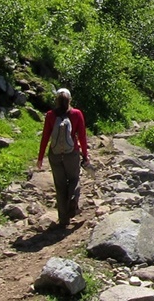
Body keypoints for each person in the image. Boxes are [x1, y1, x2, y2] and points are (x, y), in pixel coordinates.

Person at [37, 88, 88, 227]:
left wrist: (40, 157)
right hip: (71, 153)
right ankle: (73, 198)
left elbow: (45, 137)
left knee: (60, 186)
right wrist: (85, 155)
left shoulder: (50, 115)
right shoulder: (77, 114)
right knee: (74, 179)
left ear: (56, 101)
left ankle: (63, 219)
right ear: (70, 100)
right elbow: (82, 136)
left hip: (55, 154)